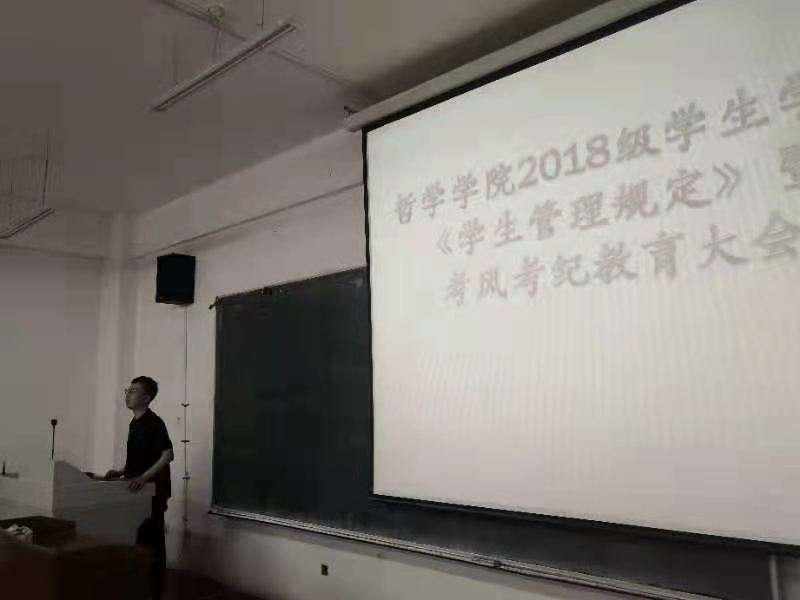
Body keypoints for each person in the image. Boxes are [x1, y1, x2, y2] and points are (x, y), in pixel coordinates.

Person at [105, 376, 174, 600]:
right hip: (137, 490)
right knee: (140, 538)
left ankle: (155, 591)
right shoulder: (134, 423)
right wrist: (121, 471)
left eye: (134, 391)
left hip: (153, 491)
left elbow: (167, 455)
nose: (128, 394)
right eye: (128, 389)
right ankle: (141, 587)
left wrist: (144, 478)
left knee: (153, 540)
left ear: (147, 397)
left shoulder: (155, 422)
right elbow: (140, 457)